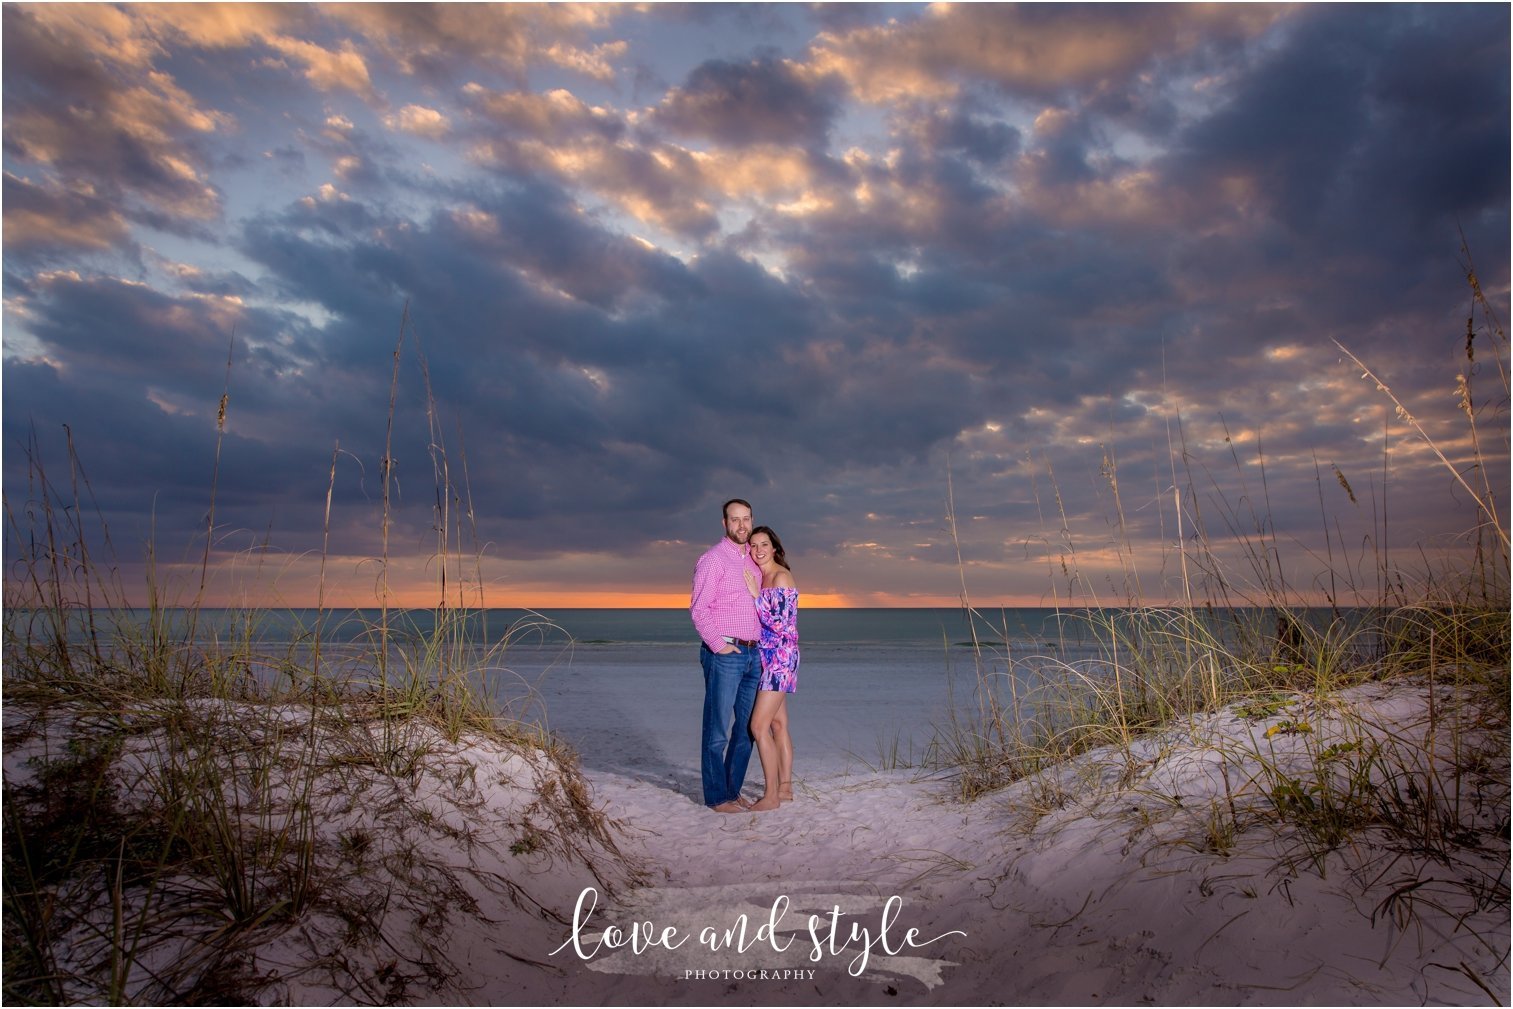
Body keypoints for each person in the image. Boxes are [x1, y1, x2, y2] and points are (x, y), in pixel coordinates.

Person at [690, 499, 763, 813]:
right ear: (724, 523)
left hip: (754, 654)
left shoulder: (753, 561)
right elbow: (698, 609)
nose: (742, 526)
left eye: (746, 519)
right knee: (717, 729)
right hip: (726, 654)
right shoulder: (712, 559)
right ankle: (717, 797)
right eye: (735, 520)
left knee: (747, 730)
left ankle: (732, 792)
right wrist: (720, 646)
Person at [742, 525, 798, 812]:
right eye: (753, 545)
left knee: (758, 726)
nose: (759, 550)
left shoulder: (781, 576)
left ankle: (771, 796)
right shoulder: (761, 577)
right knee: (778, 724)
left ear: (774, 547)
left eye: (764, 544)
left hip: (780, 658)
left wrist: (755, 597)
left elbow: (783, 624)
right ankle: (786, 789)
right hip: (766, 658)